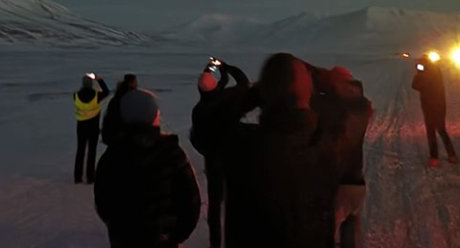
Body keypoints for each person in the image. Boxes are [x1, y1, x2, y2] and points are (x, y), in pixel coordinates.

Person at [194, 52, 341, 248]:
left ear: (264, 94)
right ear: (309, 92)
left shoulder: (245, 148)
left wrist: (253, 95)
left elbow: (206, 129)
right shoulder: (323, 145)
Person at [95, 88, 201, 248]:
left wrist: (119, 228)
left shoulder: (112, 156)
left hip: (124, 240)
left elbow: (103, 203)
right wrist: (175, 236)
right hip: (163, 240)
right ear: (154, 116)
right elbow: (190, 202)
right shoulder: (172, 155)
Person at [190, 58, 250, 248]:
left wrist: (210, 69)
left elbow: (197, 137)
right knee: (235, 200)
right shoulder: (227, 100)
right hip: (232, 157)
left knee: (215, 204)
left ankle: (215, 243)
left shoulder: (198, 110)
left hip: (213, 159)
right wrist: (225, 66)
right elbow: (242, 82)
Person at [310, 66, 372, 248]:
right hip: (356, 181)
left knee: (331, 233)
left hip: (336, 182)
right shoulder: (362, 106)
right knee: (351, 225)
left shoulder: (329, 107)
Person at [412, 55, 456, 167]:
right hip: (440, 104)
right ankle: (451, 155)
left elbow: (415, 85)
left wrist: (419, 74)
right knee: (441, 129)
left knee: (431, 131)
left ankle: (434, 157)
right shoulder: (436, 70)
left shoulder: (425, 74)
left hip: (429, 105)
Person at [74, 73, 110, 183]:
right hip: (93, 126)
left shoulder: (75, 95)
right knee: (92, 151)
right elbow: (107, 92)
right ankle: (90, 177)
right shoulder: (96, 95)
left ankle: (77, 177)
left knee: (80, 151)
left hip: (81, 126)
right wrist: (100, 79)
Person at [102, 73, 138, 146]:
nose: (137, 84)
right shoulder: (129, 97)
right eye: (135, 82)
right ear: (131, 83)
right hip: (119, 132)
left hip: (111, 131)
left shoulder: (117, 97)